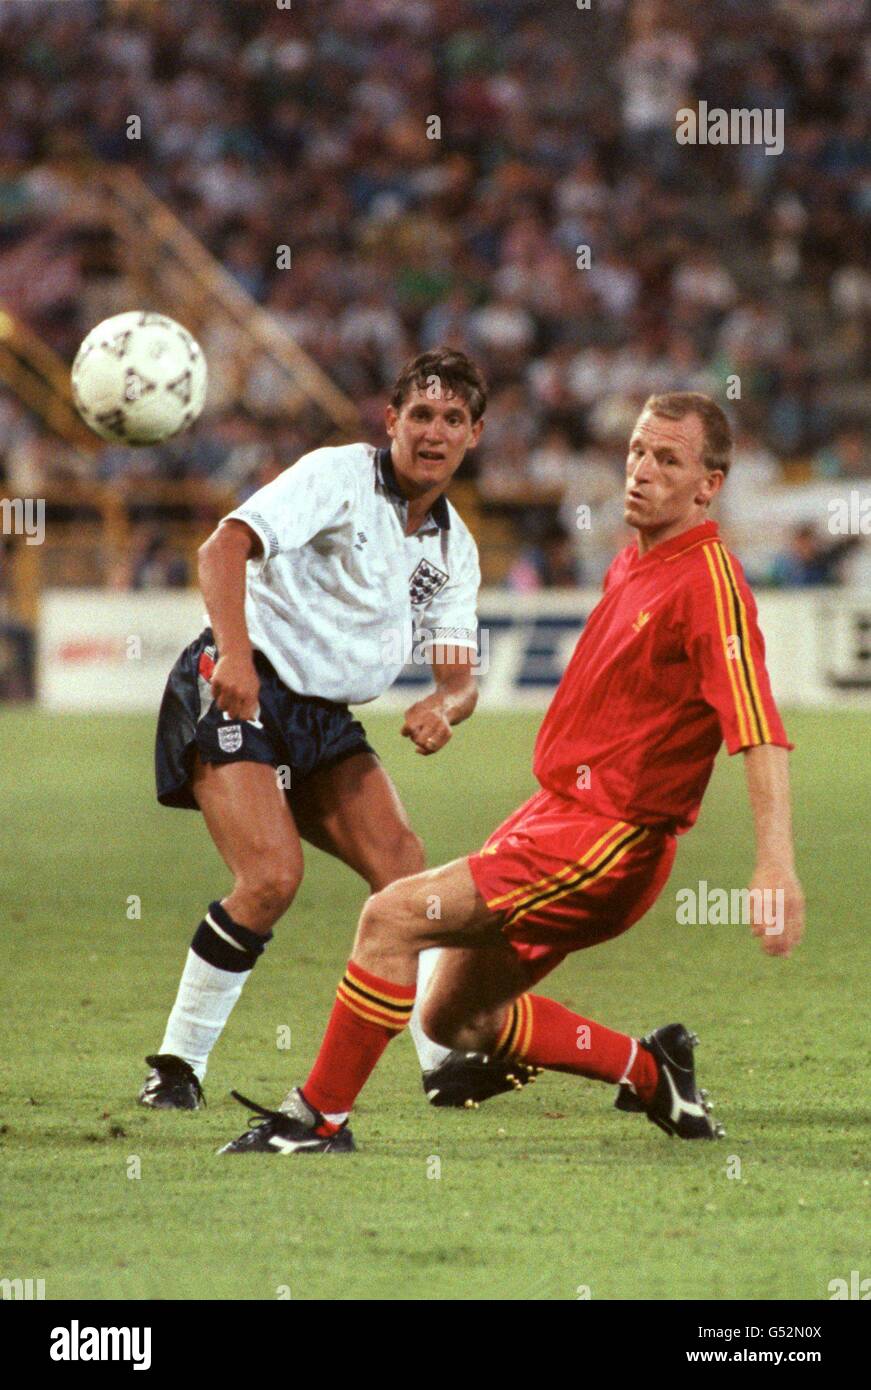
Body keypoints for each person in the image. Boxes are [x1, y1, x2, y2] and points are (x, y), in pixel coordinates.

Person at [218, 391, 805, 1155]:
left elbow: (756, 729)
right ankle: (653, 1072)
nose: (641, 471)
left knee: (391, 917)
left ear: (708, 485)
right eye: (636, 451)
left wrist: (774, 862)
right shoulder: (635, 562)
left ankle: (317, 1119)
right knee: (456, 1020)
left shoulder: (710, 585)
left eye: (667, 460)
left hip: (608, 841)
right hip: (555, 814)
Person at [140, 348, 532, 1110]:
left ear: (474, 434)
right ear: (391, 421)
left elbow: (459, 681)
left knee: (409, 875)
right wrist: (237, 654)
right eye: (420, 414)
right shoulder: (336, 476)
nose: (433, 431)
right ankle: (175, 1066)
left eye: (452, 418)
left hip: (322, 719)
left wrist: (441, 708)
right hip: (240, 689)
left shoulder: (455, 547)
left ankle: (441, 1063)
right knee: (271, 879)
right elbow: (222, 548)